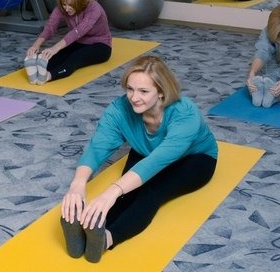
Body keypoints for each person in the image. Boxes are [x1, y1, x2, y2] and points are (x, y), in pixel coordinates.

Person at [59, 55, 218, 263]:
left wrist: (111, 192)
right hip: (146, 151)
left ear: (161, 92)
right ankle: (87, 227)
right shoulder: (119, 109)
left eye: (143, 91)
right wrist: (78, 184)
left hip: (195, 158)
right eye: (130, 89)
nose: (134, 98)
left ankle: (107, 239)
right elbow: (98, 146)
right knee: (125, 193)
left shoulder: (185, 113)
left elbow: (157, 161)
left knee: (151, 191)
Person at [24, 0, 112, 85]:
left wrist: (55, 48)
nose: (66, 8)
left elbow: (78, 31)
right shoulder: (62, 8)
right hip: (79, 42)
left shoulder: (93, 8)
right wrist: (36, 45)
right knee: (57, 56)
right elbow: (50, 27)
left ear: (79, 1)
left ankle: (47, 76)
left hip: (101, 45)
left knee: (75, 58)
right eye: (64, 4)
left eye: (70, 5)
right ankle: (36, 72)